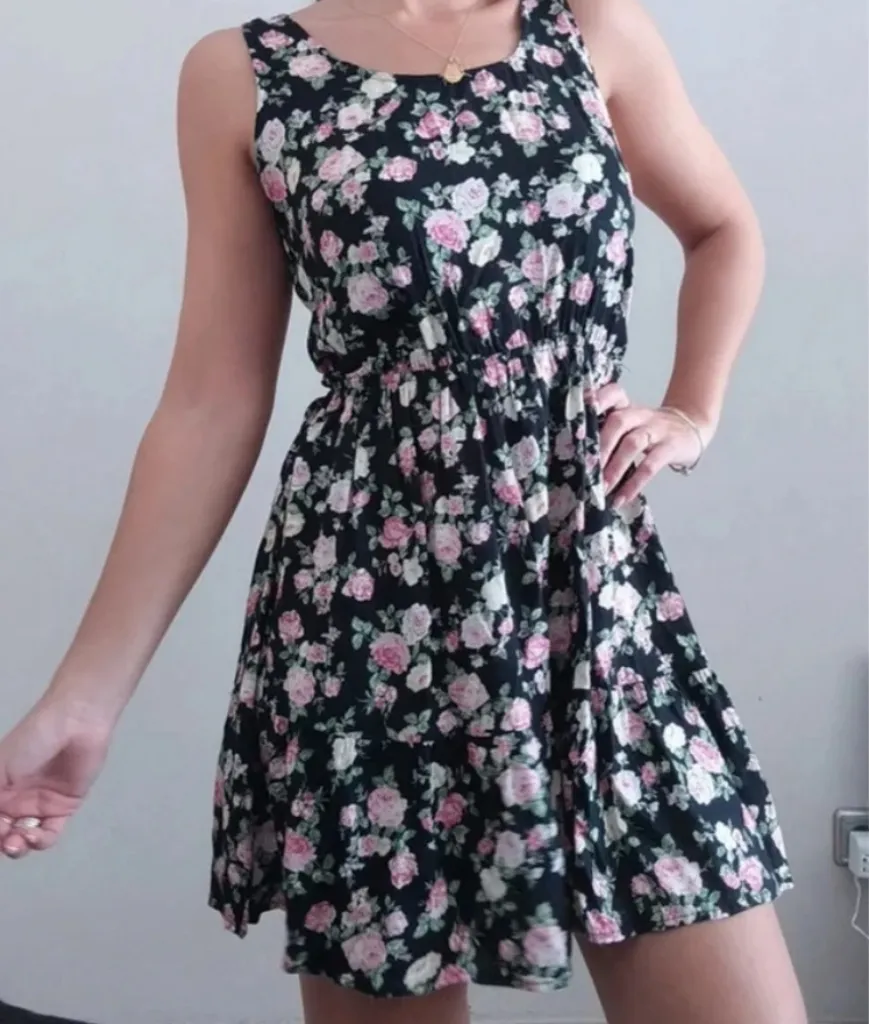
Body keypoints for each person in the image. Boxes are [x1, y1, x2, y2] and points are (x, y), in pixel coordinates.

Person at [0, 0, 808, 1021]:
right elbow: (211, 400)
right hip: (364, 610)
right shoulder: (243, 75)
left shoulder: (587, 28)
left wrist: (690, 409)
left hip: (585, 597)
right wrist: (84, 698)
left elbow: (722, 226)